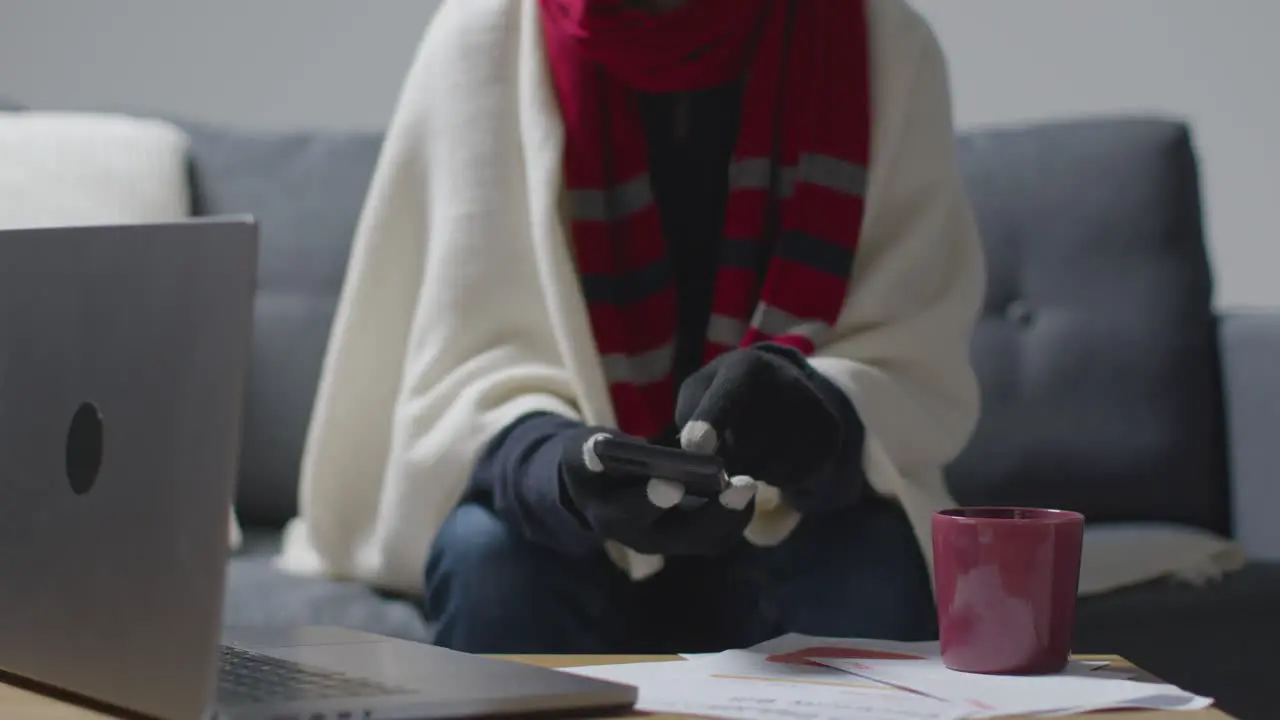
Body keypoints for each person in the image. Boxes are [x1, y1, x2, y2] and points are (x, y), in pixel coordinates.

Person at [279, 0, 986, 655]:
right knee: (488, 558)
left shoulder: (881, 41)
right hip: (572, 529)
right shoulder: (484, 38)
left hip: (790, 518)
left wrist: (809, 408)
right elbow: (462, 362)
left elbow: (910, 350)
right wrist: (557, 466)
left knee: (868, 565)